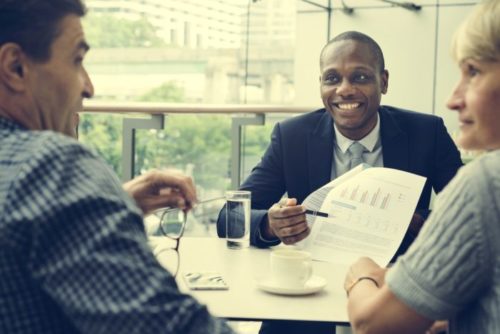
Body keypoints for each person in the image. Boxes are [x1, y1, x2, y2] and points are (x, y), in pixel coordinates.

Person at [0, 1, 233, 333]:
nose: (88, 87)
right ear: (15, 68)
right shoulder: (51, 166)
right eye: (77, 60)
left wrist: (111, 204)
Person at [218, 30, 464, 334]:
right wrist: (271, 224)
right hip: (309, 292)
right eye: (332, 78)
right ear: (321, 84)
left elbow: (471, 218)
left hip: (394, 292)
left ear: (383, 81)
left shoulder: (428, 133)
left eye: (360, 77)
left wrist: (418, 223)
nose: (344, 90)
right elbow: (228, 215)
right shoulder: (291, 136)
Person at [344, 1, 500, 333]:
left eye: (473, 72)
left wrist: (359, 272)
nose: (453, 98)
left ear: (382, 82)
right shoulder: (292, 134)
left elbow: (371, 324)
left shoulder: (486, 181)